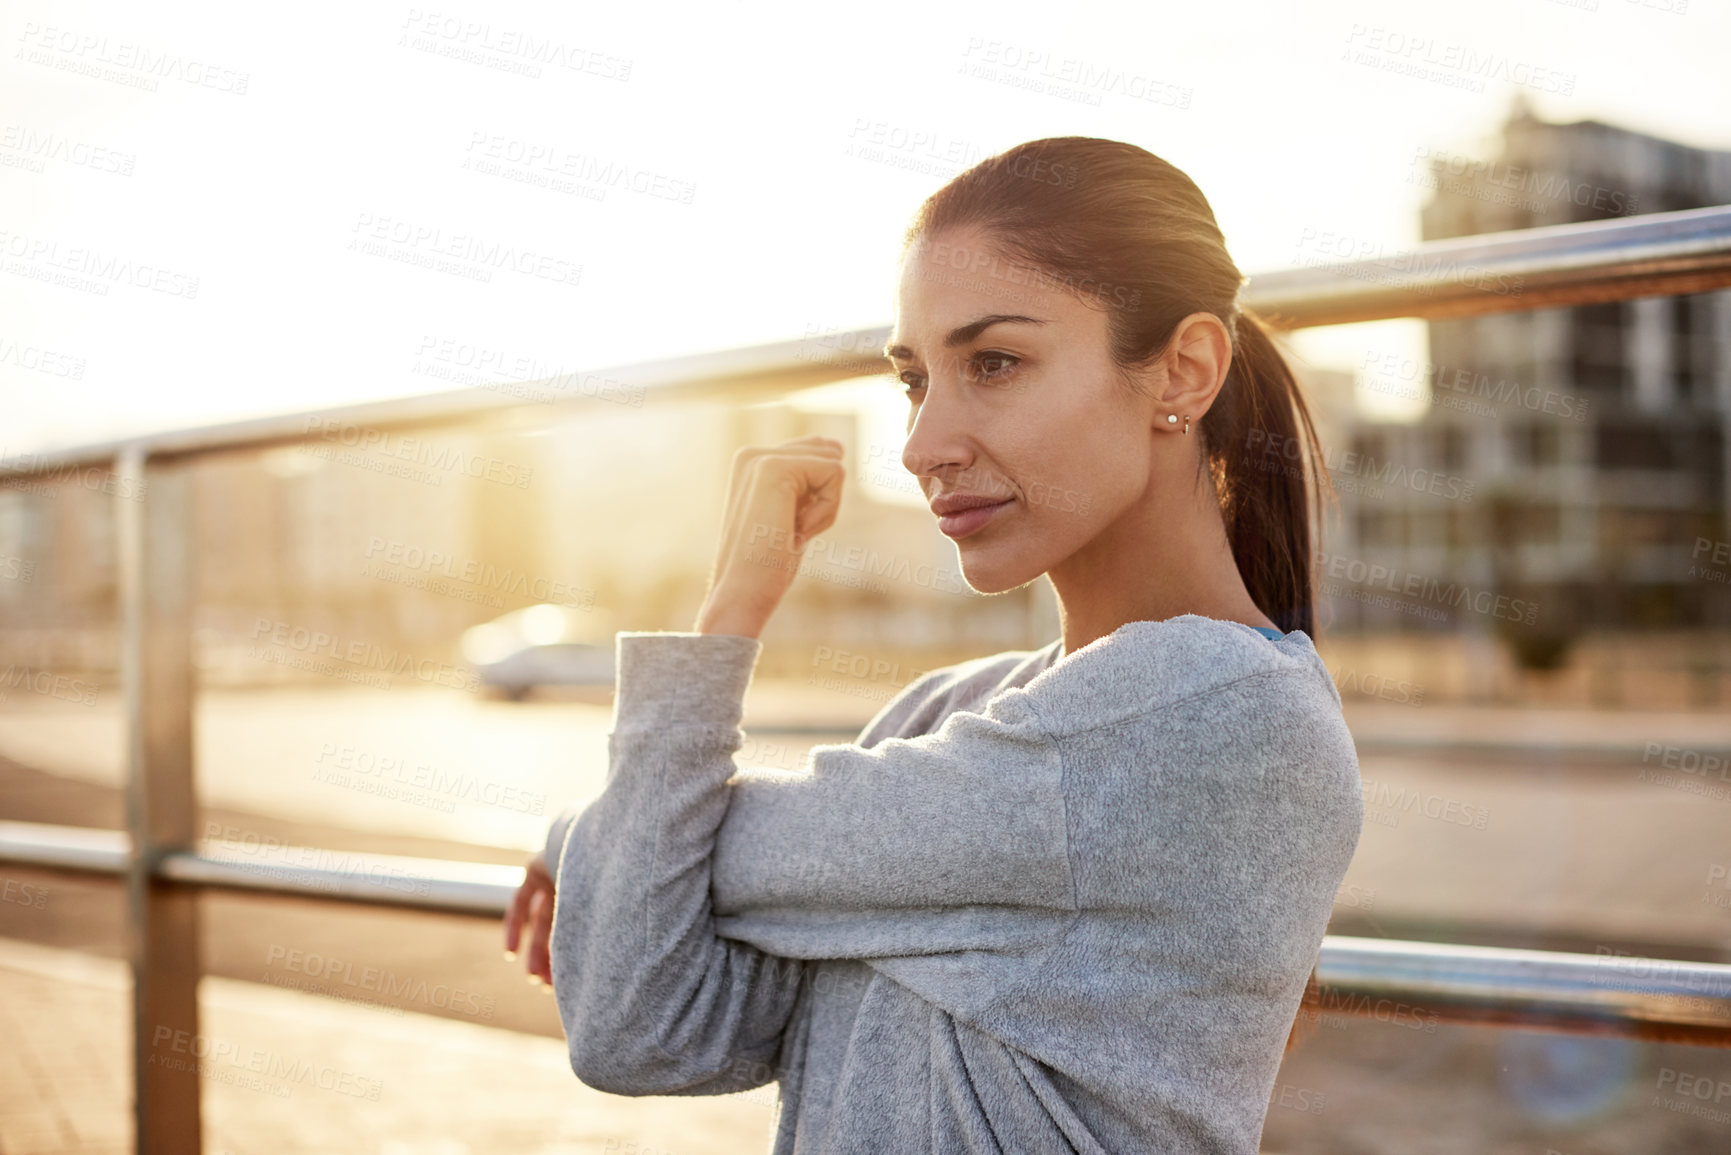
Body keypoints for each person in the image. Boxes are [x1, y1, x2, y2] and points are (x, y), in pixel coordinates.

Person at [504, 136, 1363, 1153]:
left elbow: (658, 880)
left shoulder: (1219, 717)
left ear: (1184, 368)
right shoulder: (949, 713)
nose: (922, 445)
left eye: (994, 362)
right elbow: (642, 1026)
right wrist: (727, 618)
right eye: (915, 381)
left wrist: (592, 836)